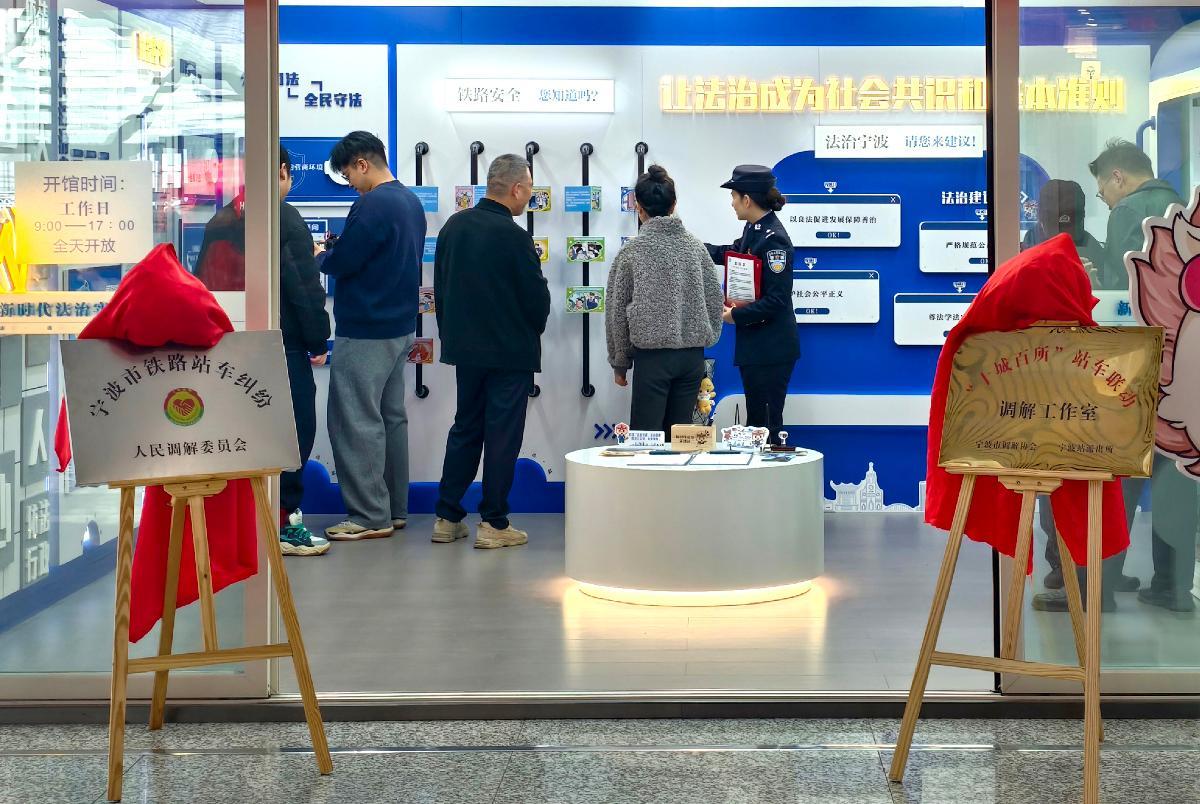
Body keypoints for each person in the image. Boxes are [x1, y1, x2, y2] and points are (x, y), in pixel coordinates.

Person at [432, 154, 550, 549]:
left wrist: (452, 337)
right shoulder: (515, 237)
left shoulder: (453, 227)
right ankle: (494, 522)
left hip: (465, 350)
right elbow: (536, 301)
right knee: (502, 436)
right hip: (510, 353)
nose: (529, 197)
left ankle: (447, 517)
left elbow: (440, 291)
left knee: (465, 427)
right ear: (516, 189)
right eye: (529, 189)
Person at [320, 130, 425, 541]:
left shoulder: (372, 204)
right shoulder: (410, 201)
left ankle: (368, 515)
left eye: (349, 175)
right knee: (389, 418)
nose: (350, 184)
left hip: (365, 328)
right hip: (399, 326)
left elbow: (346, 261)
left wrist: (323, 255)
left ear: (362, 163)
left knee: (355, 420)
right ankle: (393, 509)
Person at [606, 164, 723, 433]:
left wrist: (620, 362)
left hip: (652, 359)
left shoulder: (632, 252)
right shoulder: (696, 248)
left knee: (647, 440)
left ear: (639, 208)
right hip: (692, 358)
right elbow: (714, 299)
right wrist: (705, 336)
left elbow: (617, 310)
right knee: (681, 439)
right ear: (674, 205)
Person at [704, 165, 800, 443]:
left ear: (747, 199)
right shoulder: (754, 229)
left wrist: (736, 316)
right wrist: (696, 248)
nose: (732, 203)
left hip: (771, 348)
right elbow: (732, 253)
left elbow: (777, 300)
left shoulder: (775, 240)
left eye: (734, 196)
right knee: (756, 422)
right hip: (757, 346)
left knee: (766, 425)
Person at [277, 144, 333, 556]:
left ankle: (256, 524)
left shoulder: (225, 218)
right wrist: (318, 339)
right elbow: (303, 287)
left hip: (237, 344)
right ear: (282, 171)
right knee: (295, 432)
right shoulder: (285, 219)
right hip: (285, 346)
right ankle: (285, 523)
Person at [1089, 138, 1184, 290]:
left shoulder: (1124, 210)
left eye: (1102, 193)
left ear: (1117, 178)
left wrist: (1095, 286)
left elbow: (1124, 285)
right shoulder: (1183, 206)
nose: (1107, 203)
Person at [1020, 179, 1106, 285]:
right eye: (1056, 226)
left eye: (1069, 226)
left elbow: (1104, 288)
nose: (1062, 237)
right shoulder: (1031, 241)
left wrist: (1094, 285)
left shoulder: (1091, 248)